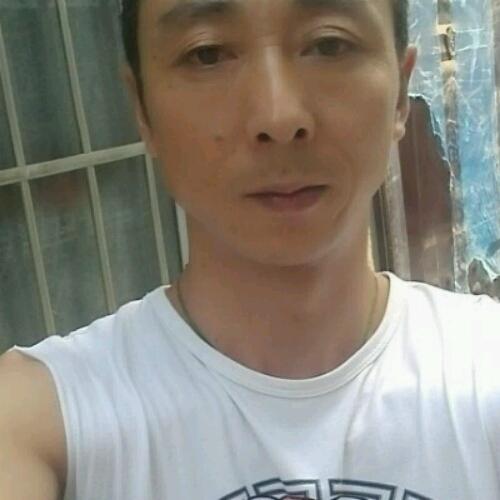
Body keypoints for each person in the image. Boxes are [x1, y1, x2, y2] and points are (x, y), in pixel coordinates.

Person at [1, 0, 499, 498]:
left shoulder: (483, 372)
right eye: (207, 54)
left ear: (400, 95)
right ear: (141, 109)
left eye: (329, 44)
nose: (278, 117)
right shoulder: (37, 421)